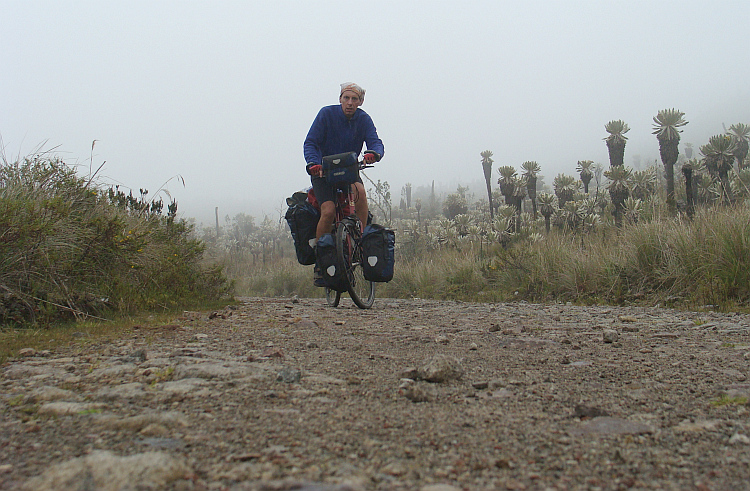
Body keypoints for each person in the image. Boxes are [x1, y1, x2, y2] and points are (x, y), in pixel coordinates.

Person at [304, 82, 384, 286]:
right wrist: (313, 163)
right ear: (340, 98)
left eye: (354, 99)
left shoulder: (363, 119)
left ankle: (362, 242)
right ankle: (321, 261)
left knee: (360, 192)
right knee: (328, 210)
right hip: (323, 172)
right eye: (346, 98)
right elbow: (311, 142)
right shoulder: (326, 115)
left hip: (349, 170)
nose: (349, 103)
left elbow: (375, 141)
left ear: (360, 102)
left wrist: (373, 153)